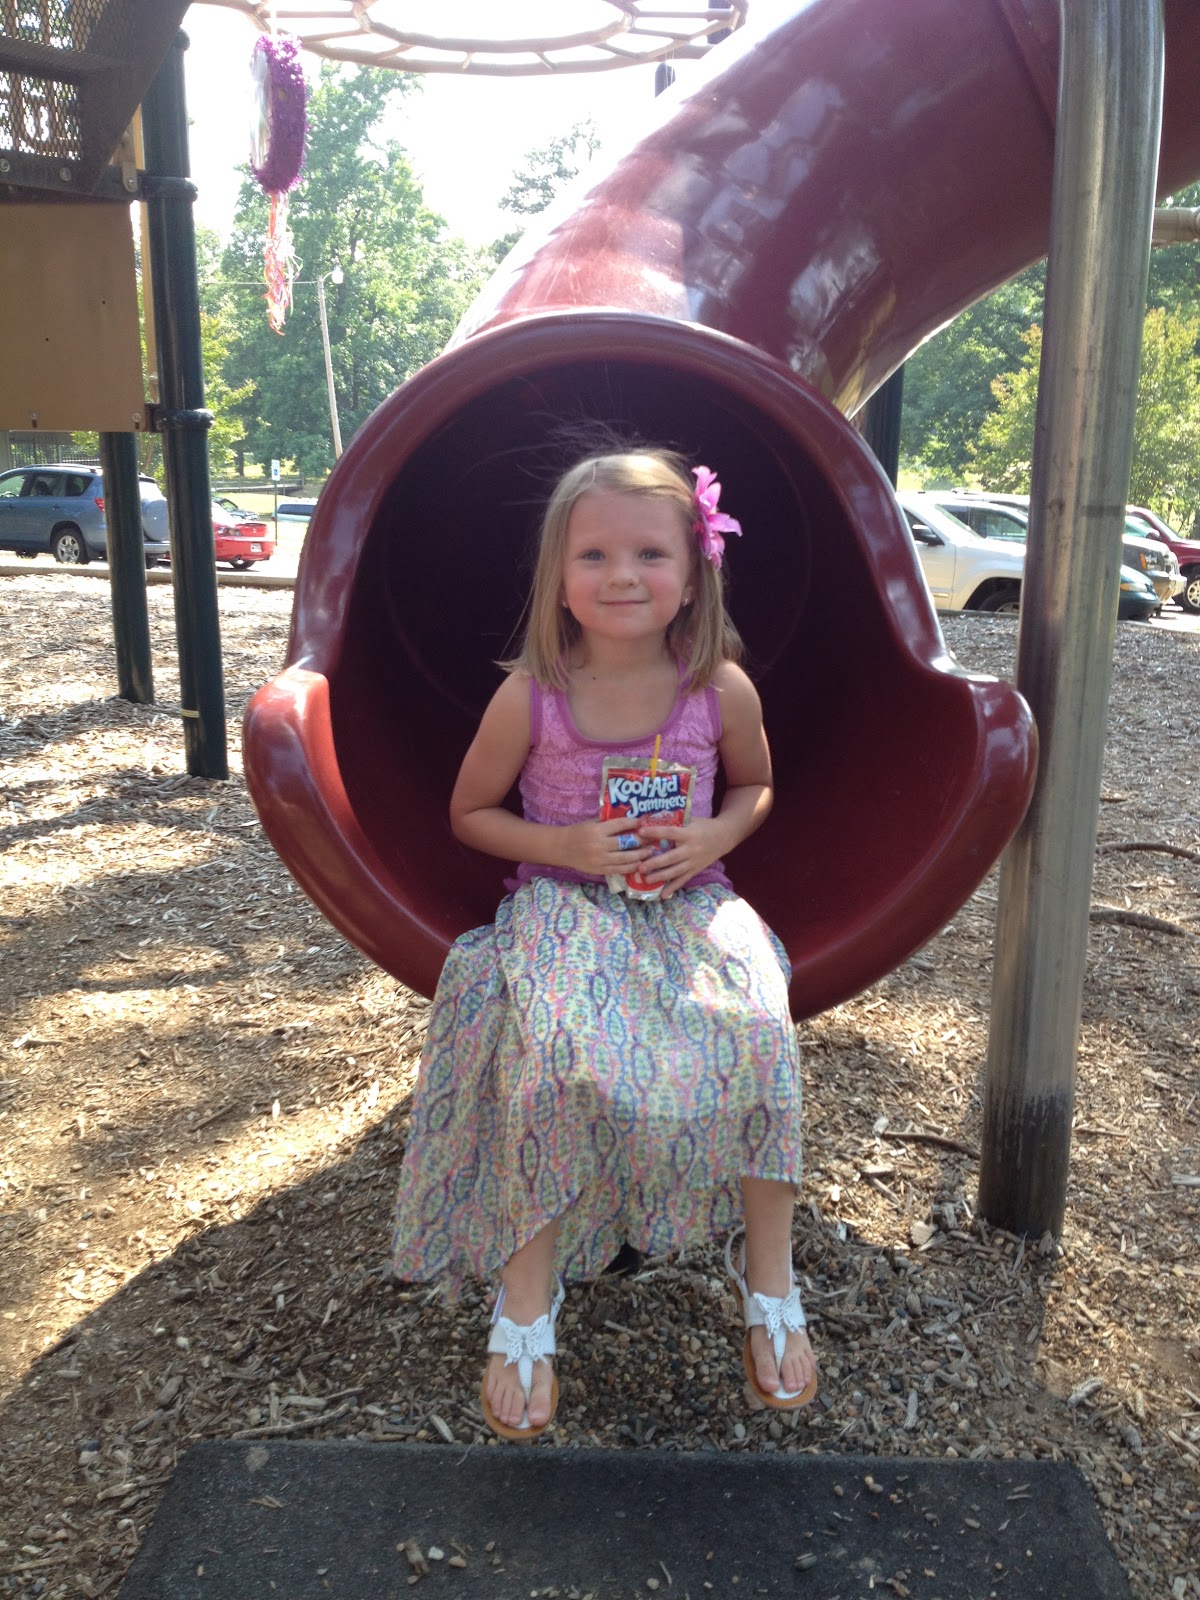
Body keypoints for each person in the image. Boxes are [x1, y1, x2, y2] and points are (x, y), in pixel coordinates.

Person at [391, 446, 816, 1440]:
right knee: (546, 1058)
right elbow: (468, 812)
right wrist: (566, 845)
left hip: (688, 903)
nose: (622, 574)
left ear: (694, 574)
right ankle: (526, 1300)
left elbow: (756, 786)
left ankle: (771, 1281)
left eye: (650, 553)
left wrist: (712, 836)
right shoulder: (531, 696)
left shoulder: (720, 690)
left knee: (764, 1032)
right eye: (594, 555)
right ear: (559, 580)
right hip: (564, 908)